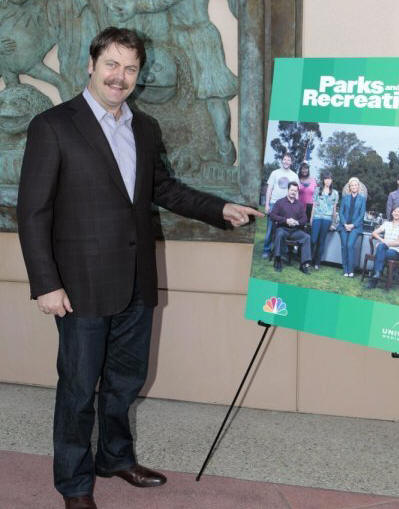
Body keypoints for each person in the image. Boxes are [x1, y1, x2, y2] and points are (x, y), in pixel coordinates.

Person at [16, 27, 262, 509]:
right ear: (91, 65)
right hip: (80, 287)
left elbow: (163, 190)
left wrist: (220, 209)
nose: (120, 77)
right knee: (79, 388)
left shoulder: (144, 127)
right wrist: (46, 284)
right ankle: (73, 484)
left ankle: (114, 457)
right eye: (112, 65)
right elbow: (34, 211)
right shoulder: (54, 126)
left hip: (136, 282)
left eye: (130, 68)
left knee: (125, 382)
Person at [262, 153, 299, 259]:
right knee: (270, 229)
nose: (286, 161)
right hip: (274, 204)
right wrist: (267, 205)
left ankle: (282, 252)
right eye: (285, 159)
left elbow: (296, 193)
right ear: (282, 160)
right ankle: (266, 250)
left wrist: (296, 207)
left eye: (288, 160)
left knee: (284, 229)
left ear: (291, 162)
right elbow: (269, 189)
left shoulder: (294, 176)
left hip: (287, 206)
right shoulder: (274, 173)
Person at [269, 181, 312, 274]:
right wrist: (286, 220)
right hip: (283, 229)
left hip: (295, 231)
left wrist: (297, 222)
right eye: (291, 190)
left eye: (295, 191)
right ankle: (278, 260)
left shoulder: (300, 204)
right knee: (279, 234)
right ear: (288, 190)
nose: (293, 192)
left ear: (297, 192)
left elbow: (304, 218)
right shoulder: (280, 202)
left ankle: (303, 264)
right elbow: (272, 215)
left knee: (307, 237)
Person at [336, 177, 366, 277]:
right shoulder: (345, 198)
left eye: (355, 185)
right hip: (343, 226)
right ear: (349, 187)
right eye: (352, 185)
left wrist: (353, 225)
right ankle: (345, 270)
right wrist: (345, 224)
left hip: (356, 227)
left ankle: (351, 270)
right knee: (344, 246)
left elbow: (361, 215)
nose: (354, 187)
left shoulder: (362, 199)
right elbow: (341, 212)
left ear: (358, 187)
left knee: (350, 245)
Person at [310, 171, 339, 270]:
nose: (328, 181)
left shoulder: (335, 193)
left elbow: (335, 210)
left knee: (321, 241)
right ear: (323, 180)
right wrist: (311, 219)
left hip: (327, 219)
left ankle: (317, 263)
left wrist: (334, 223)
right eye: (326, 178)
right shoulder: (317, 190)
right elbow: (314, 206)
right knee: (313, 239)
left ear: (332, 180)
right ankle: (309, 260)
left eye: (330, 179)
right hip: (317, 217)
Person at [366, 206, 399, 288]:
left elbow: (398, 242)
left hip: (395, 252)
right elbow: (374, 233)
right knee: (381, 249)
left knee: (380, 250)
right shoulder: (387, 224)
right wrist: (382, 240)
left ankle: (374, 279)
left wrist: (385, 243)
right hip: (384, 248)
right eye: (395, 211)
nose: (396, 213)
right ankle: (377, 273)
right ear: (392, 213)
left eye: (398, 212)